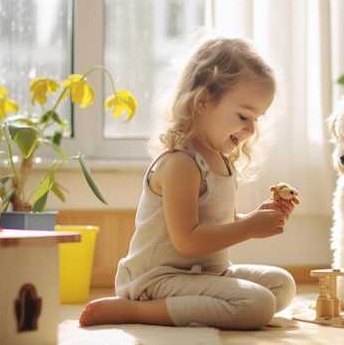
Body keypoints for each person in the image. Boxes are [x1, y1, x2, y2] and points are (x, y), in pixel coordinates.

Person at [79, 35, 297, 330]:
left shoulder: (221, 158)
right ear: (204, 100)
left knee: (282, 285)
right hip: (157, 278)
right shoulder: (182, 163)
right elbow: (187, 240)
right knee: (257, 305)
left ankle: (192, 305)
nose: (250, 129)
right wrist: (248, 228)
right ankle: (135, 310)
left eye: (257, 119)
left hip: (203, 274)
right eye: (244, 115)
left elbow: (220, 222)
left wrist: (256, 217)